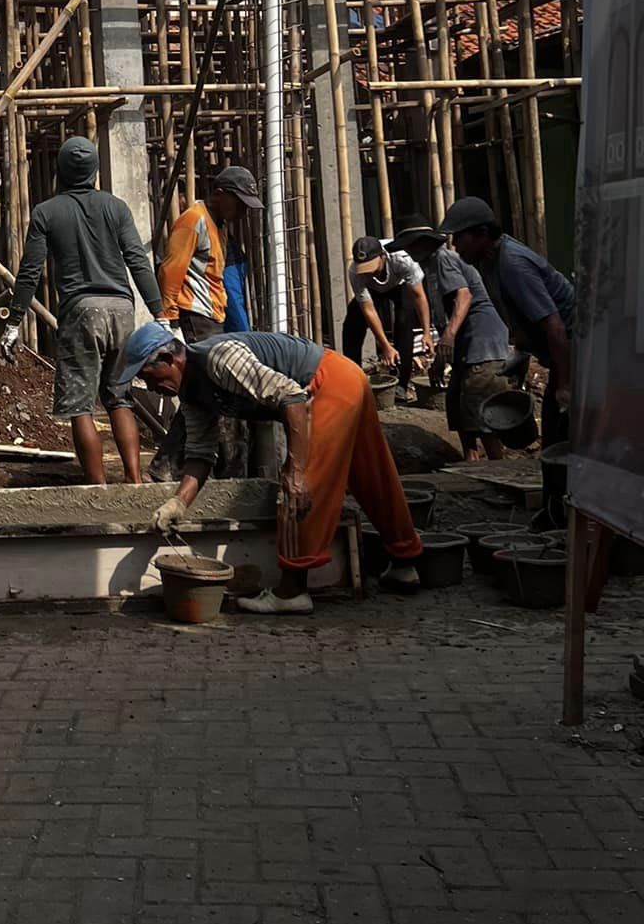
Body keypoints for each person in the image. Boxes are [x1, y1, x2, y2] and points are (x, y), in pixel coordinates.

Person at [114, 322, 423, 615]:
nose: (152, 387)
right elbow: (200, 454)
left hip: (325, 382)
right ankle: (405, 562)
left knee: (297, 490)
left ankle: (291, 593)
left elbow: (291, 396)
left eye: (150, 376)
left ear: (169, 358)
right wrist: (178, 502)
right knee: (370, 473)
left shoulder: (219, 359)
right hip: (345, 378)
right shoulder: (192, 396)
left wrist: (297, 469)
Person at [0, 135, 160, 485]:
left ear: (59, 170)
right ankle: (134, 480)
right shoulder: (116, 208)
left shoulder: (47, 212)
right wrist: (159, 313)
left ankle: (98, 488)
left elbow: (29, 271)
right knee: (120, 397)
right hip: (122, 310)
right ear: (94, 171)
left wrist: (14, 321)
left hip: (81, 312)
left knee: (81, 406)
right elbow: (137, 260)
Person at [440, 199, 576, 446]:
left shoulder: (513, 264)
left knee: (562, 435)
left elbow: (554, 326)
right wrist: (522, 354)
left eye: (460, 236)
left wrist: (566, 385)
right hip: (563, 354)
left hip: (577, 351)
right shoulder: (487, 263)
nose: (455, 244)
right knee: (555, 434)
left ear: (481, 234)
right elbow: (520, 316)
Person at [394, 221, 512, 460]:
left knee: (481, 409)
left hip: (483, 342)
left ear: (424, 245)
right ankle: (471, 462)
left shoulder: (443, 259)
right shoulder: (428, 269)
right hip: (466, 345)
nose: (408, 253)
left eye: (410, 247)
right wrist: (441, 357)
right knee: (457, 405)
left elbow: (464, 296)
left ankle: (497, 465)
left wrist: (447, 338)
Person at [159, 166, 262, 345]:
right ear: (219, 194)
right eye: (239, 203)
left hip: (212, 315)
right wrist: (171, 320)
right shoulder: (194, 220)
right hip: (196, 316)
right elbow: (170, 272)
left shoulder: (219, 225)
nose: (242, 212)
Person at [343, 234, 434, 404]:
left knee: (404, 320)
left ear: (382, 256)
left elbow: (419, 296)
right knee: (352, 322)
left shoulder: (402, 258)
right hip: (373, 290)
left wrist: (427, 333)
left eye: (371, 266)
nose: (368, 271)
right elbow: (368, 310)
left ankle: (401, 383)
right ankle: (352, 380)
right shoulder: (354, 272)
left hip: (399, 285)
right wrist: (385, 346)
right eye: (363, 267)